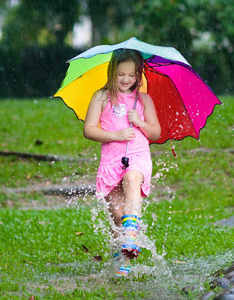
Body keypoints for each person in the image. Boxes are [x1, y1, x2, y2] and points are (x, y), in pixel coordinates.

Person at [83, 49, 161, 277]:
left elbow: (155, 133)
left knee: (132, 178)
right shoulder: (101, 97)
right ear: (112, 73)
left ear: (139, 75)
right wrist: (116, 135)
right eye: (120, 74)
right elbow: (88, 130)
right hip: (111, 159)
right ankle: (122, 256)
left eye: (132, 75)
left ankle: (131, 232)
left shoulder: (144, 100)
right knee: (116, 214)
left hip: (137, 155)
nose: (126, 79)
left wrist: (140, 122)